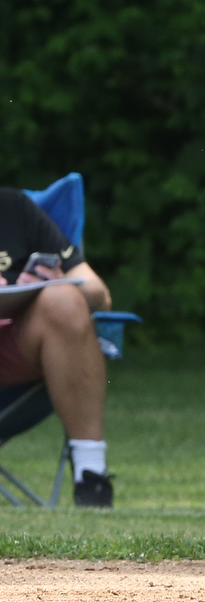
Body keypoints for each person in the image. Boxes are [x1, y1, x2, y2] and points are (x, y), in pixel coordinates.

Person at [0, 187, 114, 507]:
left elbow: (99, 293)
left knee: (64, 301)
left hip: (15, 353)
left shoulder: (14, 209)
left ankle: (92, 478)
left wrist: (54, 280)